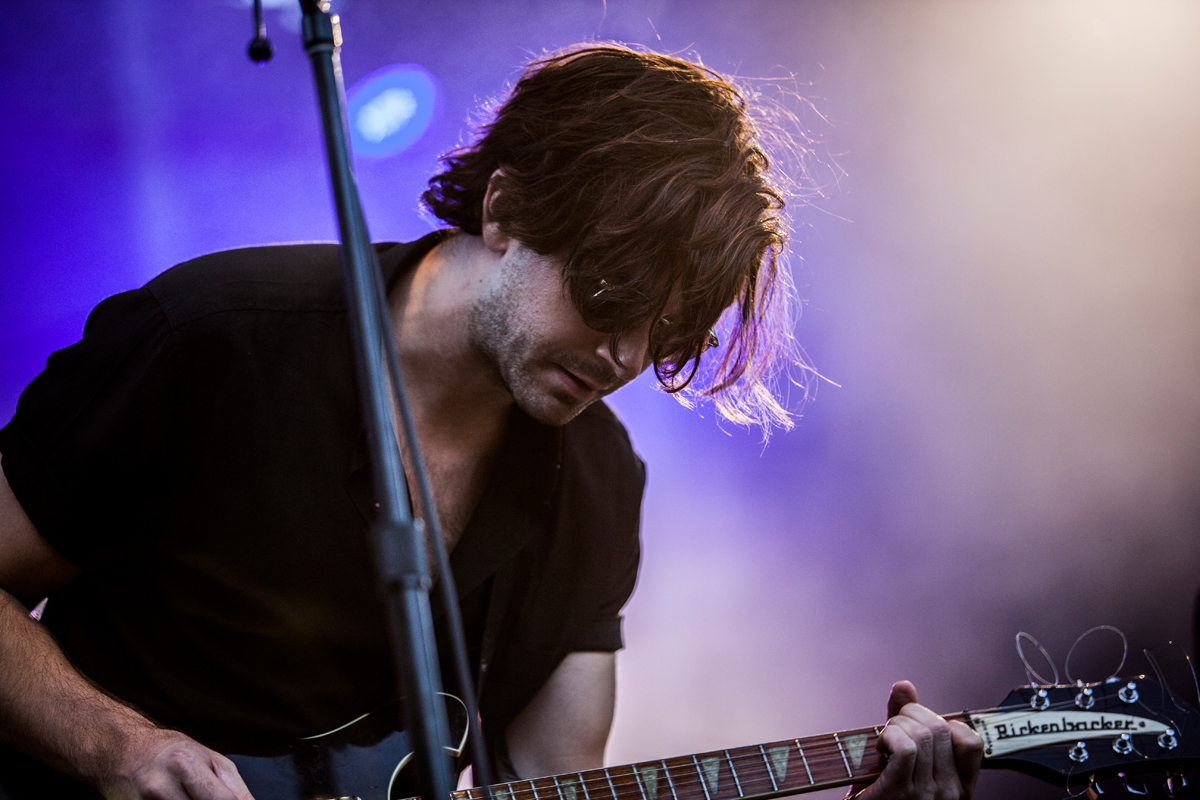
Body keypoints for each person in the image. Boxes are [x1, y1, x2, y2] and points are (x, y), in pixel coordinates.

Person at [0, 44, 982, 800]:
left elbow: (555, 776)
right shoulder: (215, 336)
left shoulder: (598, 484)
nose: (628, 356)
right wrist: (116, 744)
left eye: (670, 329)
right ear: (506, 207)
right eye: (611, 294)